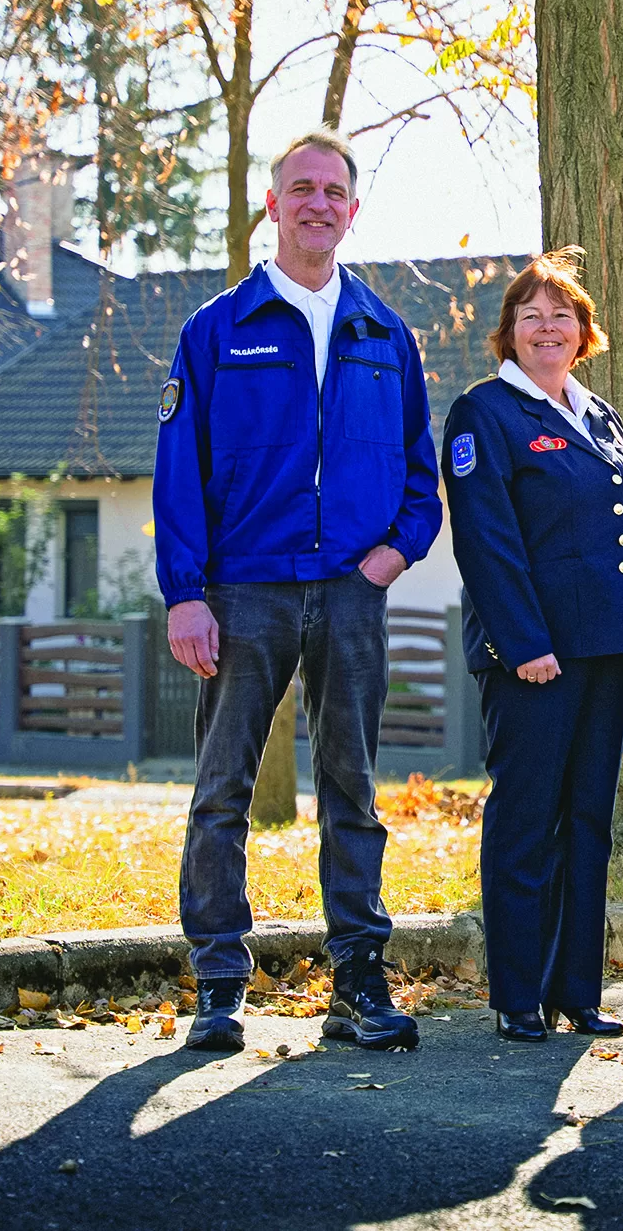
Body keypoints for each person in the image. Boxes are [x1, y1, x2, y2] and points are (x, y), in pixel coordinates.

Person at [154, 129, 441, 1054]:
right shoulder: (216, 329)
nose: (318, 203)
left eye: (334, 192)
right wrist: (184, 593)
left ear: (352, 212)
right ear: (272, 206)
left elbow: (418, 475)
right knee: (221, 788)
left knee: (352, 788)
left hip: (351, 592)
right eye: (301, 189)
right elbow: (177, 474)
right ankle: (219, 985)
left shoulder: (384, 333)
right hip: (244, 593)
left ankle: (357, 979)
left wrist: (392, 557)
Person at [442, 248, 623, 1043]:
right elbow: (486, 540)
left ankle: (577, 989)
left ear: (582, 331)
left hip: (602, 654)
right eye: (530, 314)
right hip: (531, 657)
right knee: (527, 822)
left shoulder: (598, 415)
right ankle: (517, 993)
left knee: (588, 821)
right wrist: (523, 641)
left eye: (561, 314)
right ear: (508, 333)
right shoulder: (484, 414)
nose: (547, 326)